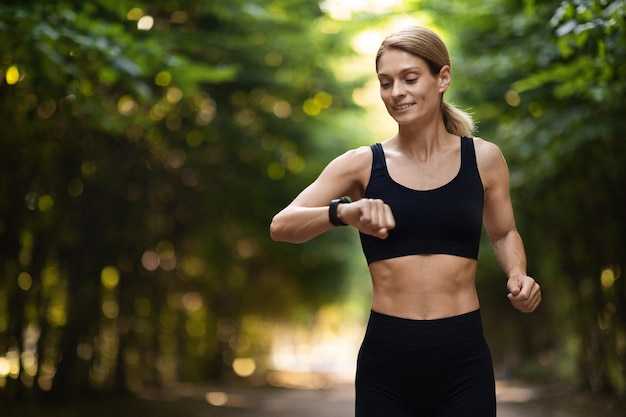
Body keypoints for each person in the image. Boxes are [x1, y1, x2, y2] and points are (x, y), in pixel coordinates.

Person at [270, 26, 541, 417]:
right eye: (385, 82)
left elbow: (503, 232)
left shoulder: (484, 159)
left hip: (464, 360)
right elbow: (281, 225)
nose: (396, 92)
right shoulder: (361, 164)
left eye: (410, 78)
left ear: (442, 78)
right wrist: (343, 211)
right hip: (387, 363)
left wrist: (518, 273)